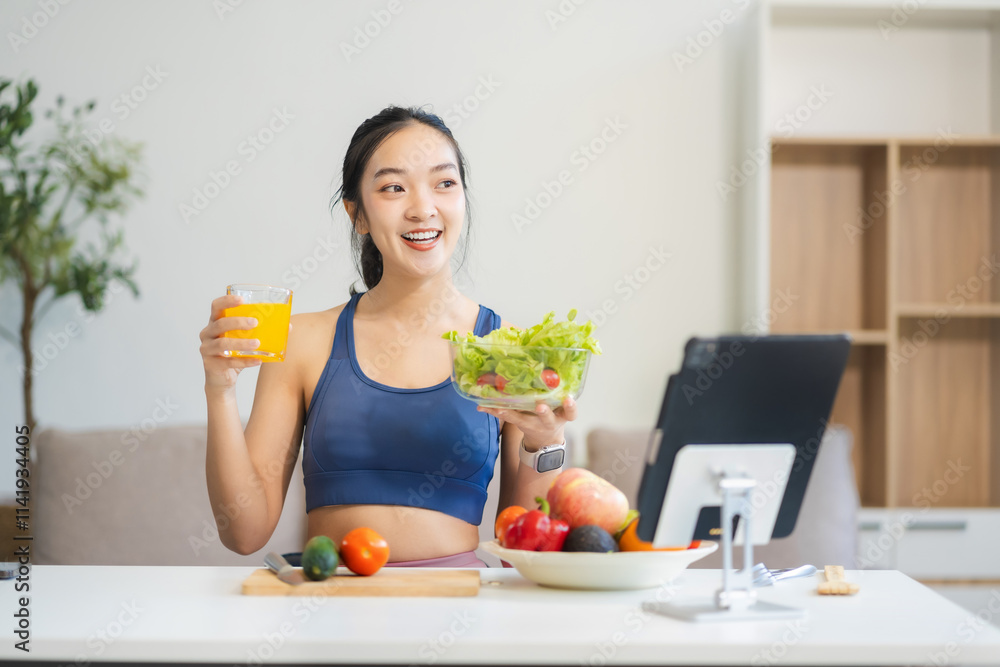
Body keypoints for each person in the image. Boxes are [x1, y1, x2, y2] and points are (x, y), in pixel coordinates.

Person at [199, 106, 576, 567]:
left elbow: (524, 546)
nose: (422, 208)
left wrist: (548, 440)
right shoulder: (304, 341)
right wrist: (219, 390)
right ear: (357, 214)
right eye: (393, 187)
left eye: (444, 183)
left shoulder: (507, 351)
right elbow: (244, 532)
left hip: (458, 611)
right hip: (332, 608)